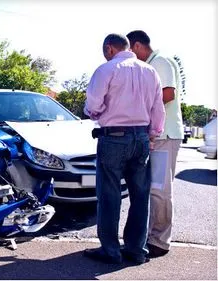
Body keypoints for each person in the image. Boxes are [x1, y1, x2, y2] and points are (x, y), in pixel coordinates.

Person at [83, 33, 165, 264]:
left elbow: (93, 106)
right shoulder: (150, 71)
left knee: (109, 195)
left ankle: (110, 250)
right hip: (141, 137)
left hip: (113, 137)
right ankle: (135, 250)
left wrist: (95, 113)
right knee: (140, 196)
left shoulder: (107, 69)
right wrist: (152, 135)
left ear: (110, 48)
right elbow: (158, 109)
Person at [127, 30, 184, 258]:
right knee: (153, 190)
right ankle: (150, 237)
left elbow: (168, 94)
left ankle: (159, 241)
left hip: (165, 136)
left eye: (129, 51)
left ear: (137, 46)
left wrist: (137, 106)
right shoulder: (150, 64)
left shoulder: (160, 62)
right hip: (154, 137)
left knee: (160, 190)